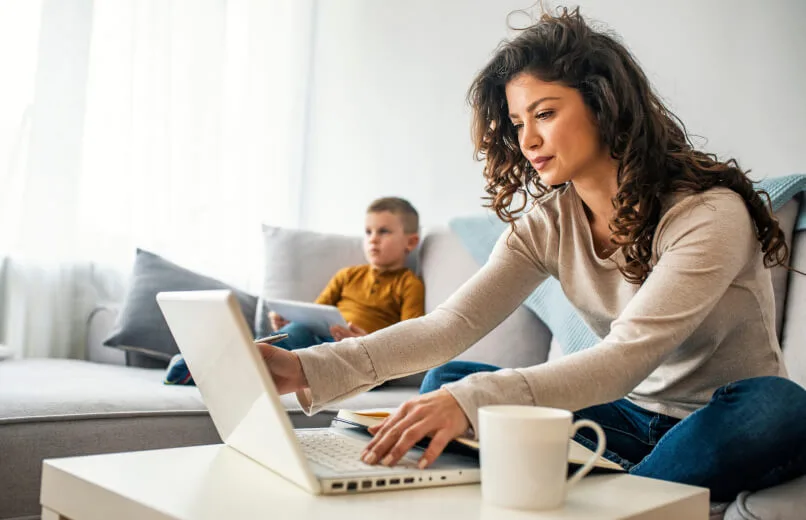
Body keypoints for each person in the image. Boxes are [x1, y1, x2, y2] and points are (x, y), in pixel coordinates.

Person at [257, 7, 806, 501]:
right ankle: (625, 480)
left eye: (544, 113)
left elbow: (625, 358)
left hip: (723, 413)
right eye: (518, 123)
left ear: (604, 105)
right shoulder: (547, 224)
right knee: (449, 376)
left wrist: (474, 401)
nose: (527, 140)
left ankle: (619, 489)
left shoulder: (708, 214)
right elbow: (451, 325)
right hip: (628, 415)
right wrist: (304, 365)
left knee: (775, 408)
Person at [268, 196, 425, 350]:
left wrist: (366, 343)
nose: (373, 239)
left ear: (411, 242)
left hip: (358, 350)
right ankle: (260, 354)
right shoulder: (348, 275)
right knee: (296, 330)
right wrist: (288, 323)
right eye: (368, 232)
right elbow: (315, 315)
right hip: (319, 338)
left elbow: (409, 340)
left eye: (383, 231)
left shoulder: (409, 284)